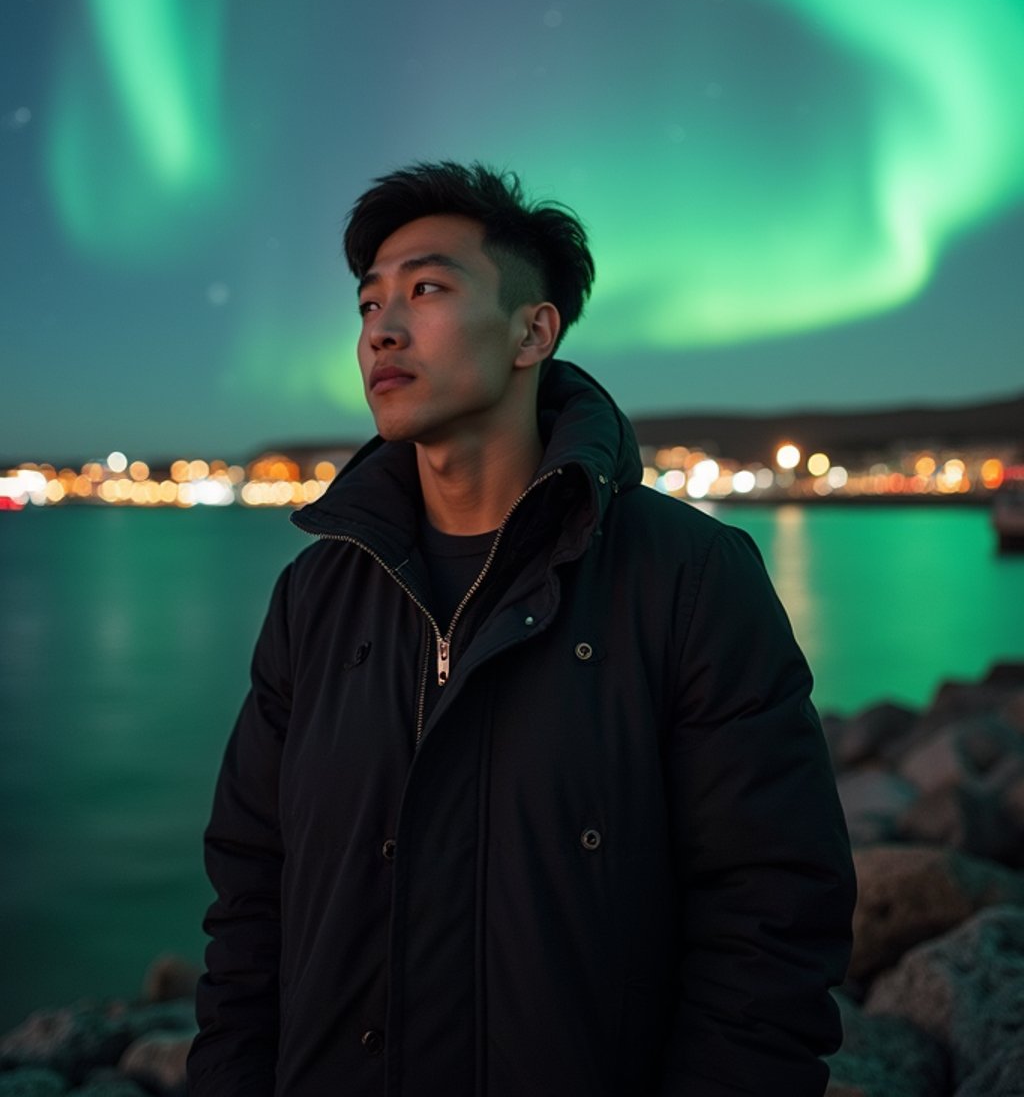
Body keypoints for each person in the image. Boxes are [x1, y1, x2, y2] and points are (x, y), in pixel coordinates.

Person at [186, 159, 855, 1097]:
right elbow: (252, 893)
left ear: (532, 330)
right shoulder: (316, 595)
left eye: (425, 288)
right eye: (368, 303)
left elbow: (773, 916)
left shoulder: (690, 580)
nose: (382, 327)